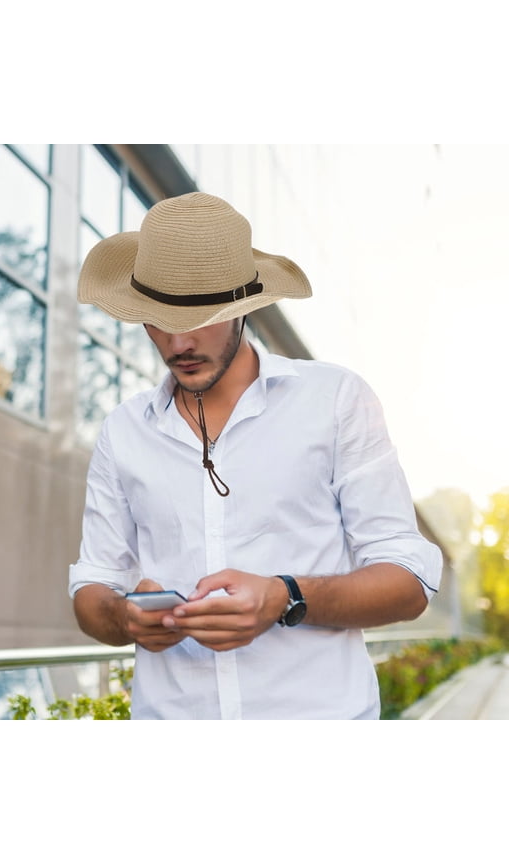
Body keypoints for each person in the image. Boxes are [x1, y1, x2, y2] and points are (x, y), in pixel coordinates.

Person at [69, 191, 442, 720]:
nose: (179, 343)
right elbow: (91, 589)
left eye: (200, 317)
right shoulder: (123, 431)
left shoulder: (336, 400)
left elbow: (409, 581)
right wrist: (124, 616)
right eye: (158, 319)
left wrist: (285, 597)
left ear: (243, 309)